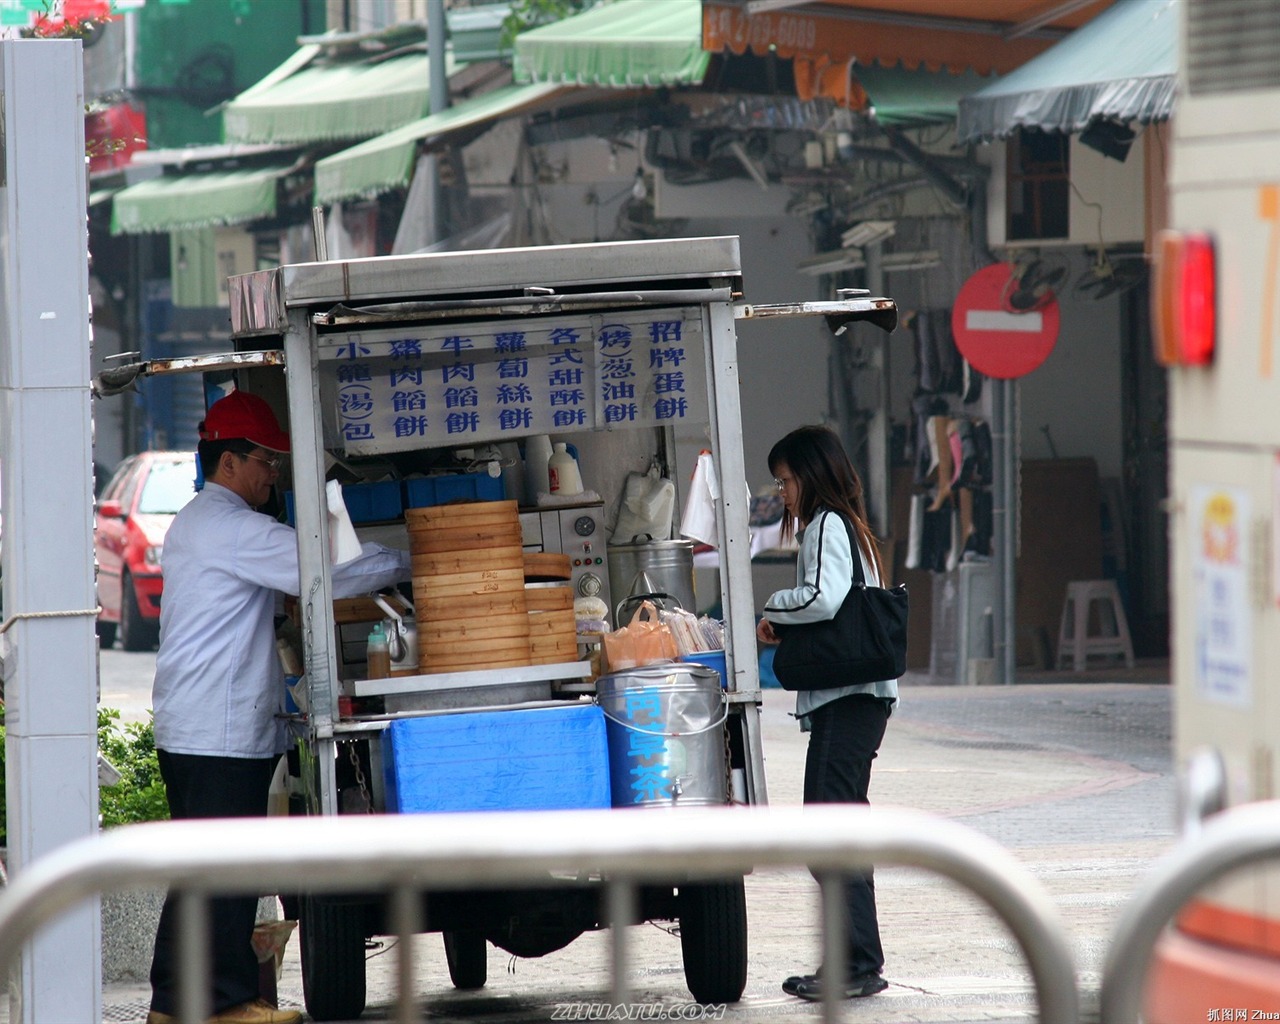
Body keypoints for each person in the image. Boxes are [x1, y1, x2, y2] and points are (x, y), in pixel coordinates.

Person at [147, 390, 412, 1024]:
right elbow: (322, 573)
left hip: (197, 723)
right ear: (231, 462)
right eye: (266, 461)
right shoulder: (233, 527)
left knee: (198, 868)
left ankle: (171, 1004)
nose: (273, 474)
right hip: (217, 728)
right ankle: (225, 1004)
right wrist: (412, 560)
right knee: (223, 869)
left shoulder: (198, 521)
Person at [755, 424, 898, 1002]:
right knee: (835, 829)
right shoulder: (850, 525)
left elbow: (822, 597)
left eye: (786, 480)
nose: (783, 492)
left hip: (849, 698)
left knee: (829, 831)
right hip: (860, 697)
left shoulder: (825, 525)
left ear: (811, 476)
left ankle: (856, 964)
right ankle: (851, 959)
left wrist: (772, 610)